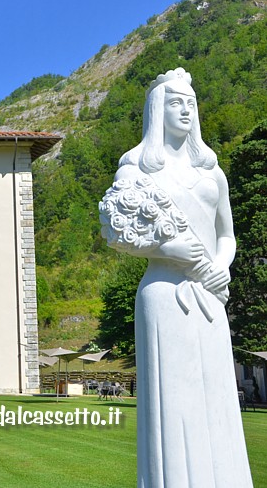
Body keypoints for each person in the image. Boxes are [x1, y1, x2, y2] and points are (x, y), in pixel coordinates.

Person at [105, 68, 252, 487]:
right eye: (175, 102)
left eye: (190, 103)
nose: (185, 110)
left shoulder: (212, 172)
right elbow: (118, 229)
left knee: (216, 393)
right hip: (165, 293)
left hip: (209, 293)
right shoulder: (137, 167)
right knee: (174, 399)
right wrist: (165, 248)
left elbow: (227, 234)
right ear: (157, 109)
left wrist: (220, 266)